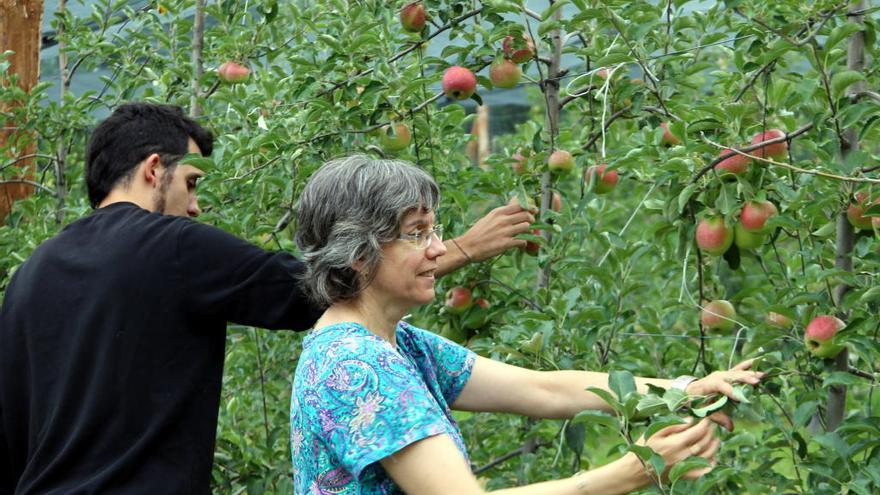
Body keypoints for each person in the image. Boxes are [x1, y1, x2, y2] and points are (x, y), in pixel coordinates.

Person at [0, 103, 535, 495]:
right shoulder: (174, 248)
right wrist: (458, 249)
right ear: (153, 169)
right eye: (191, 182)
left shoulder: (29, 277)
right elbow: (323, 285)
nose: (194, 206)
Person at [290, 155, 766, 495]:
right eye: (416, 233)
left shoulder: (398, 345)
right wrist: (630, 472)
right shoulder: (357, 368)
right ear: (357, 253)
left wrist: (683, 390)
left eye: (433, 229)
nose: (438, 248)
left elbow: (544, 391)